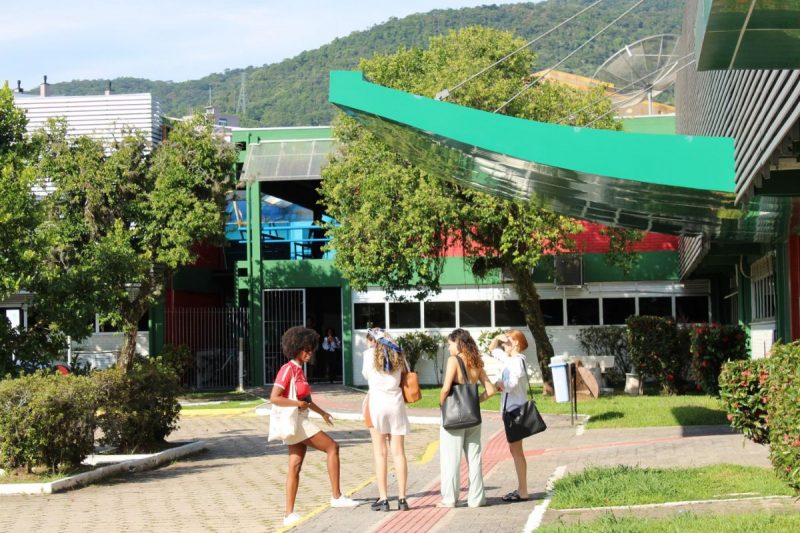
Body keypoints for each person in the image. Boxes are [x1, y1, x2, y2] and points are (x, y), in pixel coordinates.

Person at [270, 326, 359, 527]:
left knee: (295, 466)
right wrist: (297, 404)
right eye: (306, 349)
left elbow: (307, 400)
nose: (310, 353)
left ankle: (288, 514)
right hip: (297, 420)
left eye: (311, 349)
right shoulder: (288, 369)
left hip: (300, 417)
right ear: (296, 348)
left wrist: (323, 413)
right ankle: (336, 496)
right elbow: (274, 398)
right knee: (332, 447)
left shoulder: (300, 370)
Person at [438, 328, 496, 508]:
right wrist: (475, 401)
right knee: (475, 458)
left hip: (453, 418)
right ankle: (477, 499)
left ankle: (449, 499)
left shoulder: (454, 360)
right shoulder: (476, 362)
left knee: (451, 459)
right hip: (473, 417)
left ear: (458, 343)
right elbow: (491, 390)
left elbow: (446, 388)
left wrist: (442, 405)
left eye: (449, 344)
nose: (449, 348)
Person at [361, 328, 411, 512]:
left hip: (376, 404)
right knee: (398, 452)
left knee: (380, 453)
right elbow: (405, 374)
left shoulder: (369, 355)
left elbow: (366, 375)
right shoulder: (398, 352)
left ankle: (383, 499)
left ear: (372, 340)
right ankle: (403, 498)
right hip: (396, 403)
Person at [488, 329, 532, 502]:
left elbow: (512, 384)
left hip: (516, 411)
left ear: (516, 344)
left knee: (517, 451)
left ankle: (523, 491)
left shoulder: (518, 360)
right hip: (510, 411)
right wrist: (498, 338)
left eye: (508, 341)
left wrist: (500, 384)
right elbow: (492, 349)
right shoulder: (510, 359)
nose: (504, 344)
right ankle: (522, 489)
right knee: (515, 450)